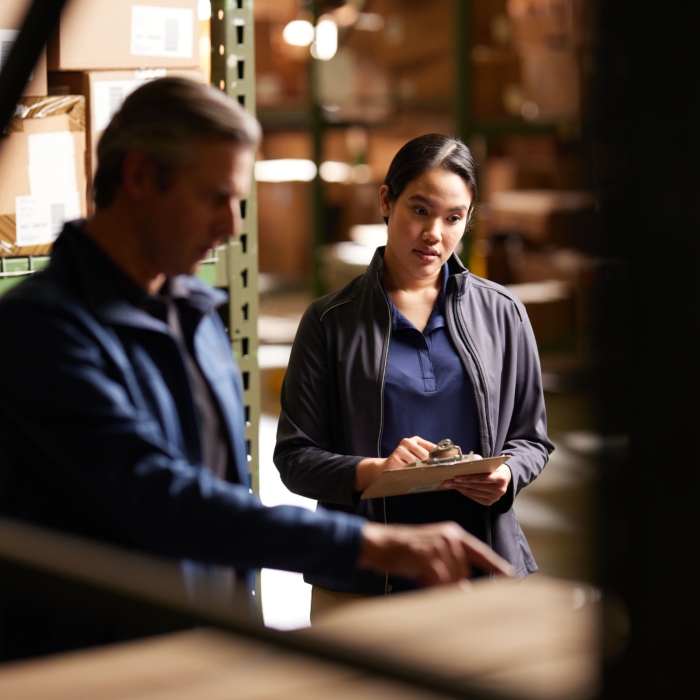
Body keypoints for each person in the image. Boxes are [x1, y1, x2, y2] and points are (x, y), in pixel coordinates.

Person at [0, 81, 513, 660]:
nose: (233, 225)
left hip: (202, 646)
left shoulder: (194, 317)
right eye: (215, 197)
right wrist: (367, 542)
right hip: (91, 664)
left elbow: (224, 492)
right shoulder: (40, 334)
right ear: (140, 178)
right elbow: (161, 499)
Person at [275, 133, 553, 619]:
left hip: (479, 569)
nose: (434, 234)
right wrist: (374, 472)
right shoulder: (329, 322)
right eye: (420, 211)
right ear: (387, 201)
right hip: (363, 577)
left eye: (453, 218)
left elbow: (533, 440)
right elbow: (295, 458)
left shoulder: (504, 314)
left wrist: (506, 474)